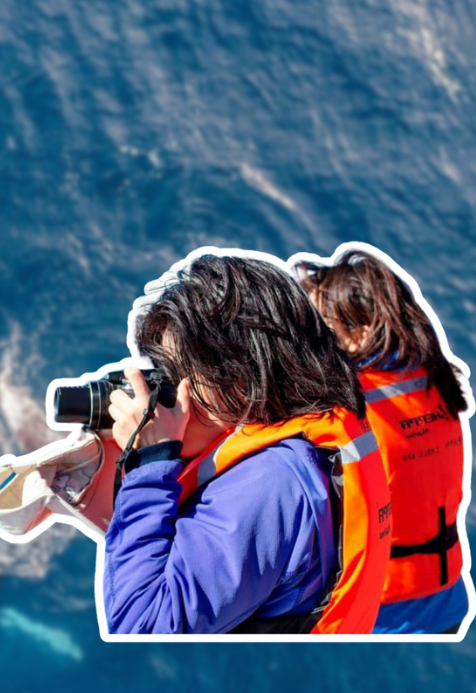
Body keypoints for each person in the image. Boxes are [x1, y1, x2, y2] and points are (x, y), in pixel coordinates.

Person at [103, 254, 391, 634]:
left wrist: (149, 467)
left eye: (181, 372)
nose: (171, 391)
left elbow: (141, 629)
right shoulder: (318, 438)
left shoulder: (271, 484)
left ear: (240, 372)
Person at [296, 249, 471, 634]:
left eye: (319, 323)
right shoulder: (433, 380)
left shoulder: (343, 404)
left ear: (358, 334)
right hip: (444, 600)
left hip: (381, 614)